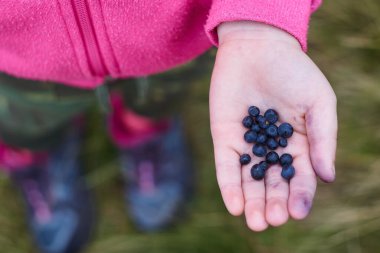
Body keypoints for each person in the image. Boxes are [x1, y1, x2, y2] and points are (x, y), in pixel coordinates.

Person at [0, 0, 337, 252]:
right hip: (16, 57)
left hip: (173, 35)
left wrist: (260, 21)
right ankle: (35, 155)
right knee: (26, 121)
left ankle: (144, 132)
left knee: (155, 99)